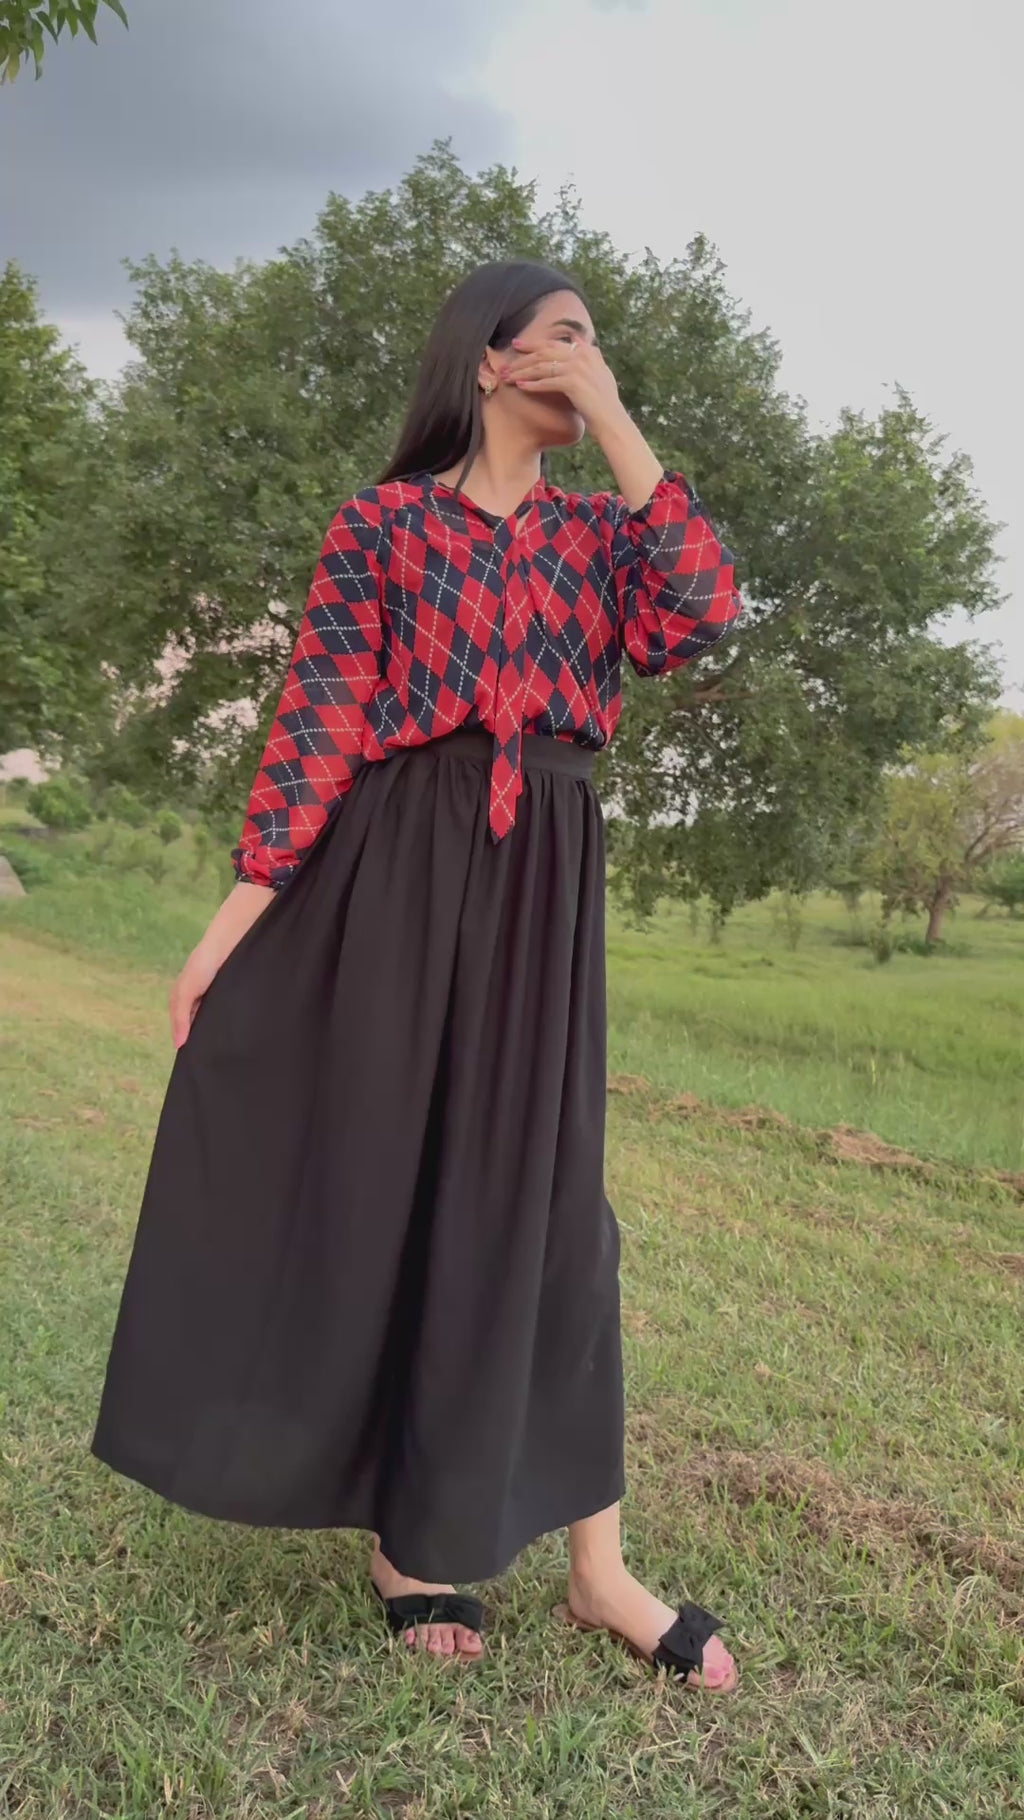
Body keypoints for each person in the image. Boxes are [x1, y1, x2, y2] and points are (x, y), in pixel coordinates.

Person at [90, 259, 744, 1690]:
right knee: (389, 1178)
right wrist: (229, 925)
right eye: (567, 339)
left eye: (599, 346)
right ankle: (409, 1541)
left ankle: (602, 1573)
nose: (590, 358)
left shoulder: (598, 536)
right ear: (491, 361)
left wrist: (622, 415)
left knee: (559, 1210)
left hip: (541, 880)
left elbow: (700, 611)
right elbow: (319, 724)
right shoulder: (382, 527)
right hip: (391, 871)